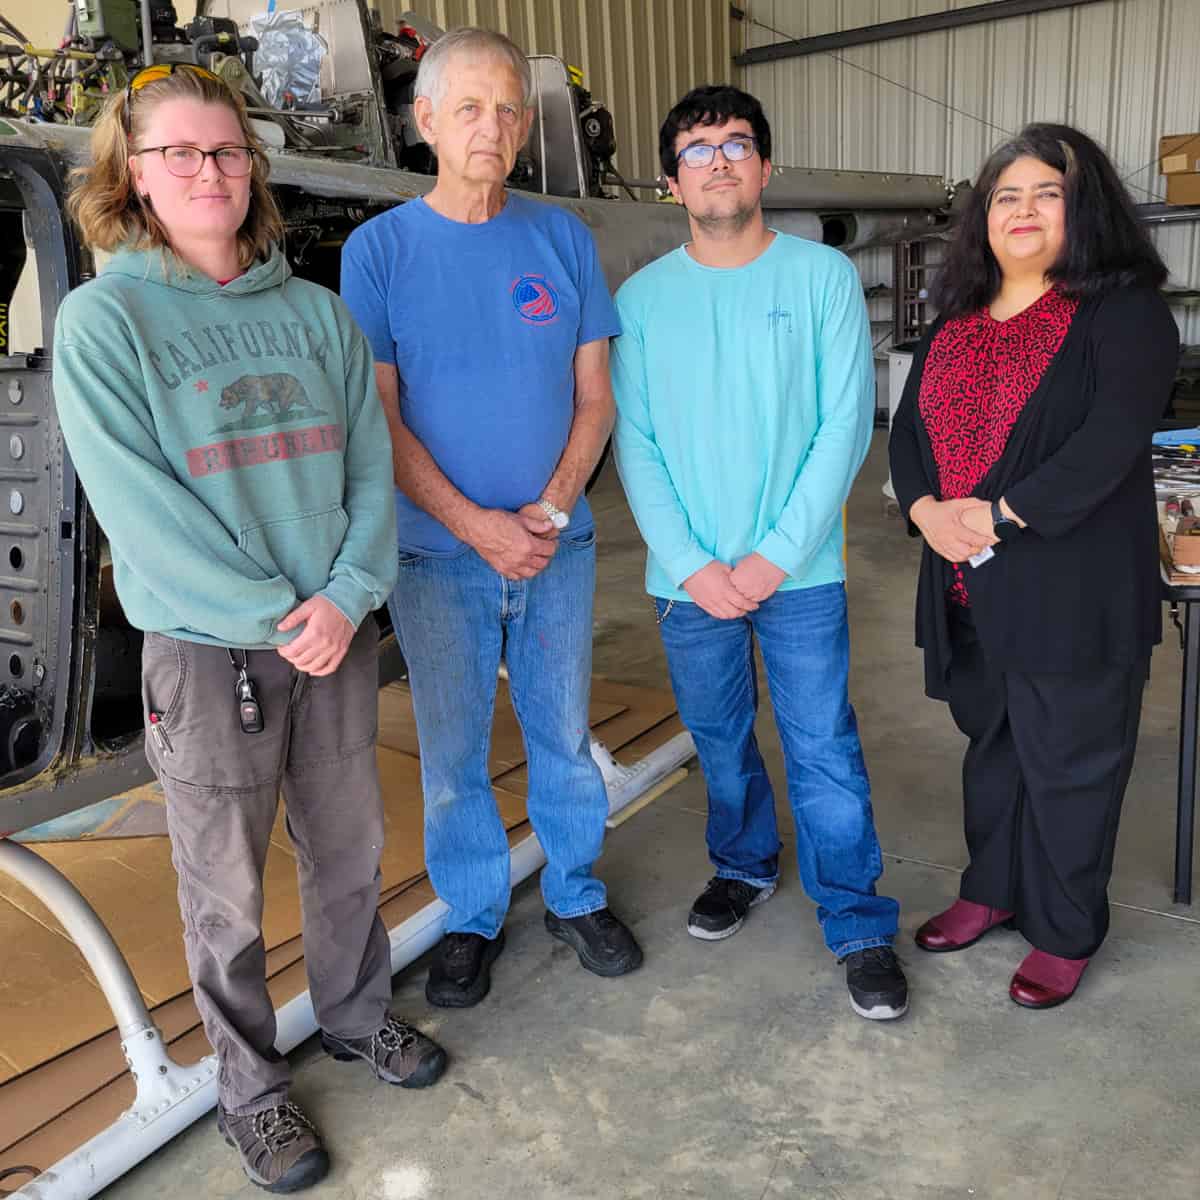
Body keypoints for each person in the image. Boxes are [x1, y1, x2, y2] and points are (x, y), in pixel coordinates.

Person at [53, 64, 446, 1193]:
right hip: (211, 652)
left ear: (252, 168)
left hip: (333, 631)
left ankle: (357, 1015)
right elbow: (141, 509)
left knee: (349, 852)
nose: (208, 171)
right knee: (222, 888)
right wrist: (280, 616)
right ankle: (250, 1089)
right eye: (179, 152)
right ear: (133, 172)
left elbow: (371, 470)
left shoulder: (318, 314)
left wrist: (349, 593)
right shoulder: (104, 320)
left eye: (225, 151)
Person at [340, 27, 642, 1010]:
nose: (494, 125)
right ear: (423, 120)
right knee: (453, 751)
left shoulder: (561, 238)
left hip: (558, 546)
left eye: (509, 106)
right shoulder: (377, 252)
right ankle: (472, 914)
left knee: (560, 733)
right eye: (468, 106)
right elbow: (377, 420)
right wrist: (477, 526)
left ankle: (575, 891)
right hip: (436, 557)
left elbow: (596, 398)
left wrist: (547, 512)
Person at [611, 85, 906, 1022]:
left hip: (800, 573)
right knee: (720, 739)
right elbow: (637, 444)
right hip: (686, 580)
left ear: (765, 168)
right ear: (672, 183)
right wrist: (696, 565)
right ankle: (743, 865)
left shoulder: (819, 279)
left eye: (737, 145)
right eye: (697, 150)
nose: (720, 161)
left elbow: (843, 427)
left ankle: (857, 920)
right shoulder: (642, 301)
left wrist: (774, 556)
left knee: (822, 746)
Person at [888, 123, 1177, 1008]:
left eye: (1045, 193)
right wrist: (928, 510)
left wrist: (999, 517)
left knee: (1073, 762)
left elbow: (1109, 443)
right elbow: (908, 435)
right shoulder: (958, 319)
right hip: (971, 585)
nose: (1022, 211)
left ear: (1082, 209)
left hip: (1072, 591)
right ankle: (992, 889)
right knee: (996, 751)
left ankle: (1064, 928)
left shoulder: (1122, 312)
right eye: (1005, 196)